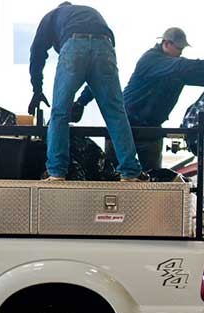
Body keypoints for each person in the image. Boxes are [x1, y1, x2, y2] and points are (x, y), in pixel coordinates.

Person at [71, 27, 204, 171]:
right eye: (178, 48)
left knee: (152, 178)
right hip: (126, 126)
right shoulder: (151, 60)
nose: (181, 52)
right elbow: (181, 66)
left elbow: (201, 76)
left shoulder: (177, 68)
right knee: (114, 174)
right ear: (166, 43)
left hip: (152, 130)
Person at [29, 2, 146, 182]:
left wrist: (37, 89)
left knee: (60, 112)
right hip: (105, 47)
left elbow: (37, 52)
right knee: (115, 112)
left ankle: (57, 173)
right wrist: (82, 102)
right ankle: (130, 172)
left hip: (75, 45)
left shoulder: (52, 16)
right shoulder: (90, 13)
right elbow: (96, 79)